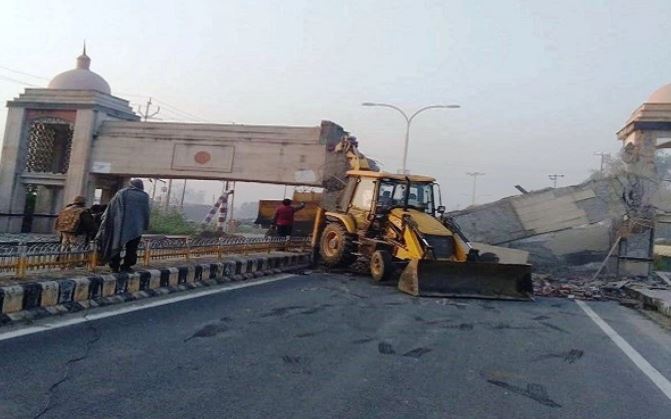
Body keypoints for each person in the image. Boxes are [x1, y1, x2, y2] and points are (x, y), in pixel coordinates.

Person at [96, 179, 150, 273]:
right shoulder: (144, 196)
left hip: (120, 225)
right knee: (132, 248)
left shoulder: (121, 193)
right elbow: (146, 212)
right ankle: (127, 266)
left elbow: (112, 208)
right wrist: (145, 225)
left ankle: (115, 266)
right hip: (137, 227)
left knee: (116, 244)